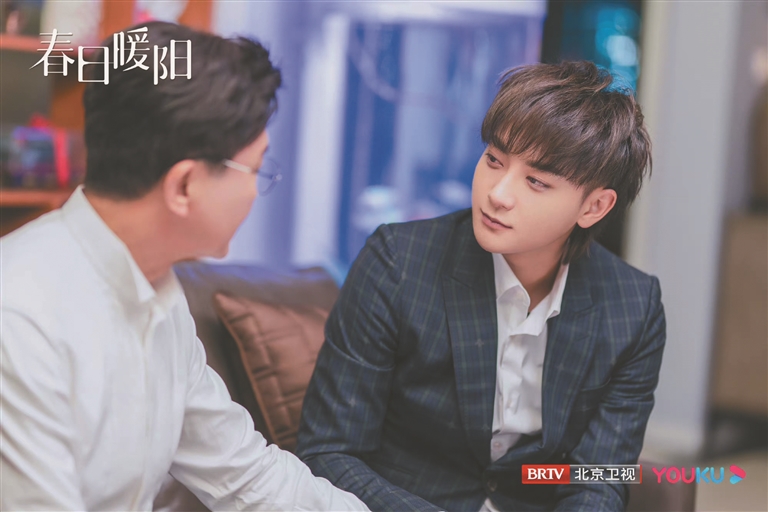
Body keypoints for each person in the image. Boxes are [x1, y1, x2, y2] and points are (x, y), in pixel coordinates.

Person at [0, 21, 367, 512]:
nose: (256, 190)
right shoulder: (19, 319)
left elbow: (246, 476)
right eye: (256, 170)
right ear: (184, 186)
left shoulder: (159, 295)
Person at [296, 61, 665, 511]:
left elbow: (599, 476)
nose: (497, 194)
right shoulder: (398, 262)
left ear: (594, 207)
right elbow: (329, 451)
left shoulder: (633, 306)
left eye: (536, 181)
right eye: (494, 160)